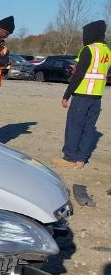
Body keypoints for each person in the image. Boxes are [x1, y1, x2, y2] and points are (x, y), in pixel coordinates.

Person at [52, 20, 110, 169]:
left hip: (82, 95)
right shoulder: (107, 51)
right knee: (88, 128)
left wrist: (66, 95)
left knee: (74, 126)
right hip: (97, 97)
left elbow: (79, 75)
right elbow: (97, 71)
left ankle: (70, 157)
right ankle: (81, 159)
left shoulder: (88, 49)